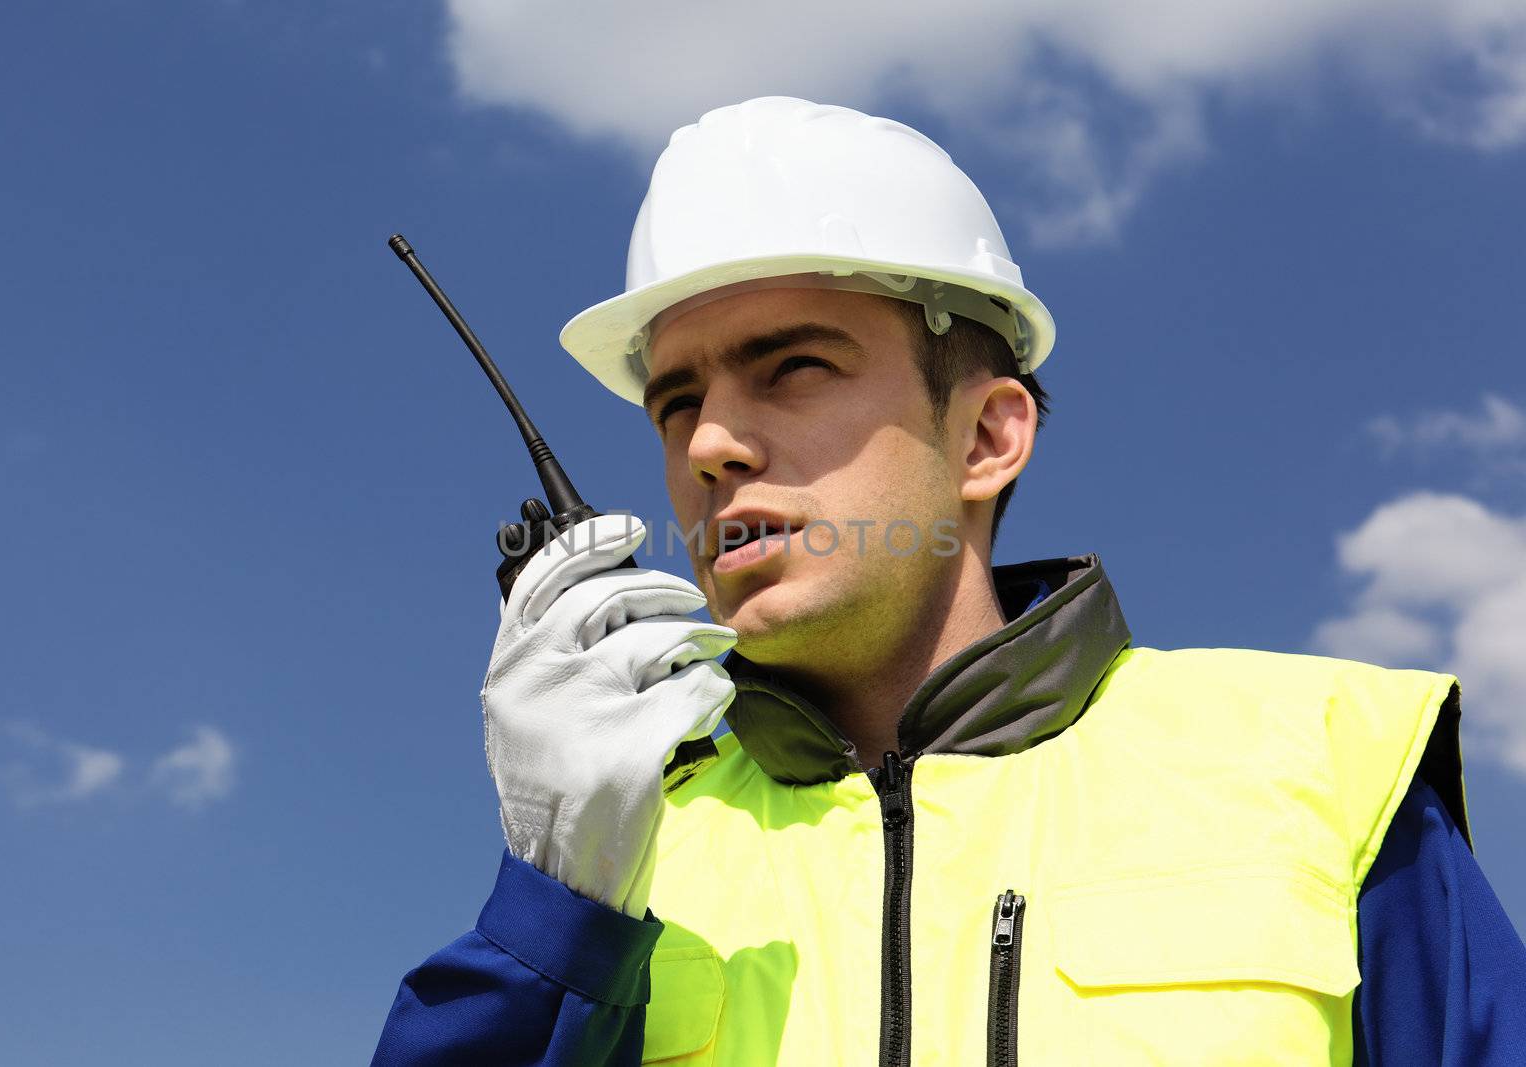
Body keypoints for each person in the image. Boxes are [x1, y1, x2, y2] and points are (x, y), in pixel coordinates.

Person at [371, 96, 1526, 1065]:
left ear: (986, 437)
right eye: (678, 401)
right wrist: (548, 914)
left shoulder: (1323, 767)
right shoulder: (618, 856)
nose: (712, 442)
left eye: (793, 367)